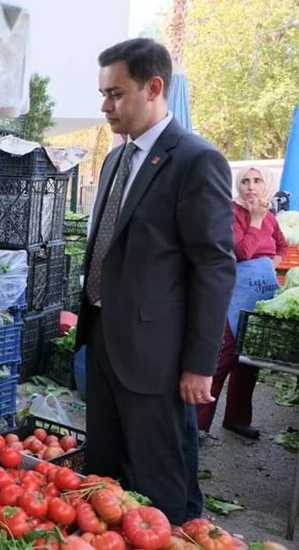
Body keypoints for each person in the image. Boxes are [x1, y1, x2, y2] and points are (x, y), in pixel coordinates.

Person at [75, 38, 236, 525]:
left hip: (158, 360)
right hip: (103, 340)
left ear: (154, 87)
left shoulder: (194, 160)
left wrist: (198, 364)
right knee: (104, 478)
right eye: (103, 94)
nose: (105, 105)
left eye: (116, 94)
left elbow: (213, 266)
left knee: (160, 485)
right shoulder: (115, 160)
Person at [198, 166, 288, 440]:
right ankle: (198, 425)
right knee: (223, 356)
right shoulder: (231, 213)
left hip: (259, 292)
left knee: (249, 358)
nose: (251, 186)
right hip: (231, 293)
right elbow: (240, 252)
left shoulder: (271, 217)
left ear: (266, 185)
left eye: (257, 180)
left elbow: (282, 246)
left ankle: (237, 418)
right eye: (245, 181)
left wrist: (270, 264)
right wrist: (256, 221)